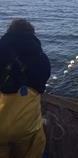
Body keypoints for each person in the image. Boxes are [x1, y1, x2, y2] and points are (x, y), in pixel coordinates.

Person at [0, 19, 50, 158]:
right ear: (32, 34)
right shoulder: (41, 59)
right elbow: (42, 84)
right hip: (27, 126)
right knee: (34, 148)